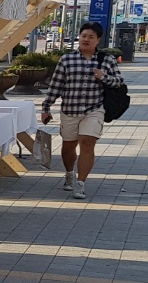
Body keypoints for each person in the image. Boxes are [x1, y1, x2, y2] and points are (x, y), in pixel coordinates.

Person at [40, 23, 123, 199]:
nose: (86, 39)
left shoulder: (107, 60)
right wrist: (46, 107)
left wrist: (103, 77)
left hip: (94, 108)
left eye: (91, 37)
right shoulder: (67, 59)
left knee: (87, 142)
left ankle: (81, 183)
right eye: (84, 36)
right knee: (69, 146)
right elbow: (56, 85)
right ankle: (69, 173)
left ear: (98, 40)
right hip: (69, 109)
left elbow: (119, 82)